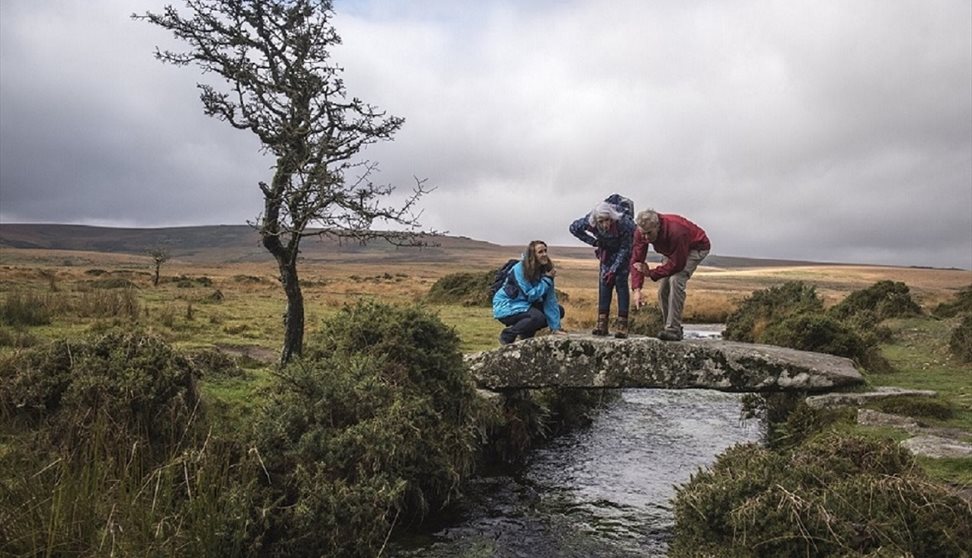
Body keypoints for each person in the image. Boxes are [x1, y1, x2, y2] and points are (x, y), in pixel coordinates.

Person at [630, 209, 710, 341]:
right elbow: (637, 261)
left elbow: (677, 265)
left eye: (649, 233)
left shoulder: (677, 231)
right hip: (672, 251)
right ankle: (670, 327)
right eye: (643, 234)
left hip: (696, 247)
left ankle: (673, 329)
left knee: (676, 280)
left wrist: (651, 273)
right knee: (663, 290)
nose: (646, 238)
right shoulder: (641, 232)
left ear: (658, 226)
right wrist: (637, 289)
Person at [569, 200, 637, 338]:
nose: (605, 224)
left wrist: (614, 269)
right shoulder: (589, 220)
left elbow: (625, 248)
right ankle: (601, 324)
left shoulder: (625, 223)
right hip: (606, 252)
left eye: (608, 220)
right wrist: (594, 242)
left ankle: (622, 325)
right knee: (604, 283)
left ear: (612, 217)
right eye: (601, 221)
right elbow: (573, 228)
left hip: (622, 252)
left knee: (621, 283)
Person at [492, 240, 567, 344]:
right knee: (537, 317)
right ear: (533, 255)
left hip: (526, 305)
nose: (544, 254)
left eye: (545, 251)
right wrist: (547, 280)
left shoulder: (546, 270)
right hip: (507, 306)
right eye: (540, 252)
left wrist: (556, 328)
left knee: (559, 311)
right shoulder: (520, 269)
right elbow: (530, 295)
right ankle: (508, 335)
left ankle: (526, 335)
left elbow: (550, 300)